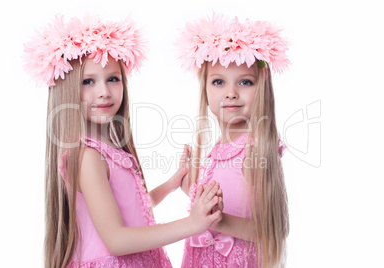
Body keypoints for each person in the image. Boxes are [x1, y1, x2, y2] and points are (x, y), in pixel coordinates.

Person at [24, 14, 223, 268]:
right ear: (67, 87)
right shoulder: (88, 157)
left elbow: (129, 212)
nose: (104, 91)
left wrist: (170, 185)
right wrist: (192, 224)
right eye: (88, 81)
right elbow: (116, 239)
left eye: (113, 79)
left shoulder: (107, 152)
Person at [177, 13, 290, 267]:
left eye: (245, 82)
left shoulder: (256, 147)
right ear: (204, 89)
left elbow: (275, 228)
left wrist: (219, 220)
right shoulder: (217, 149)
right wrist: (193, 191)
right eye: (218, 82)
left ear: (261, 87)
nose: (231, 93)